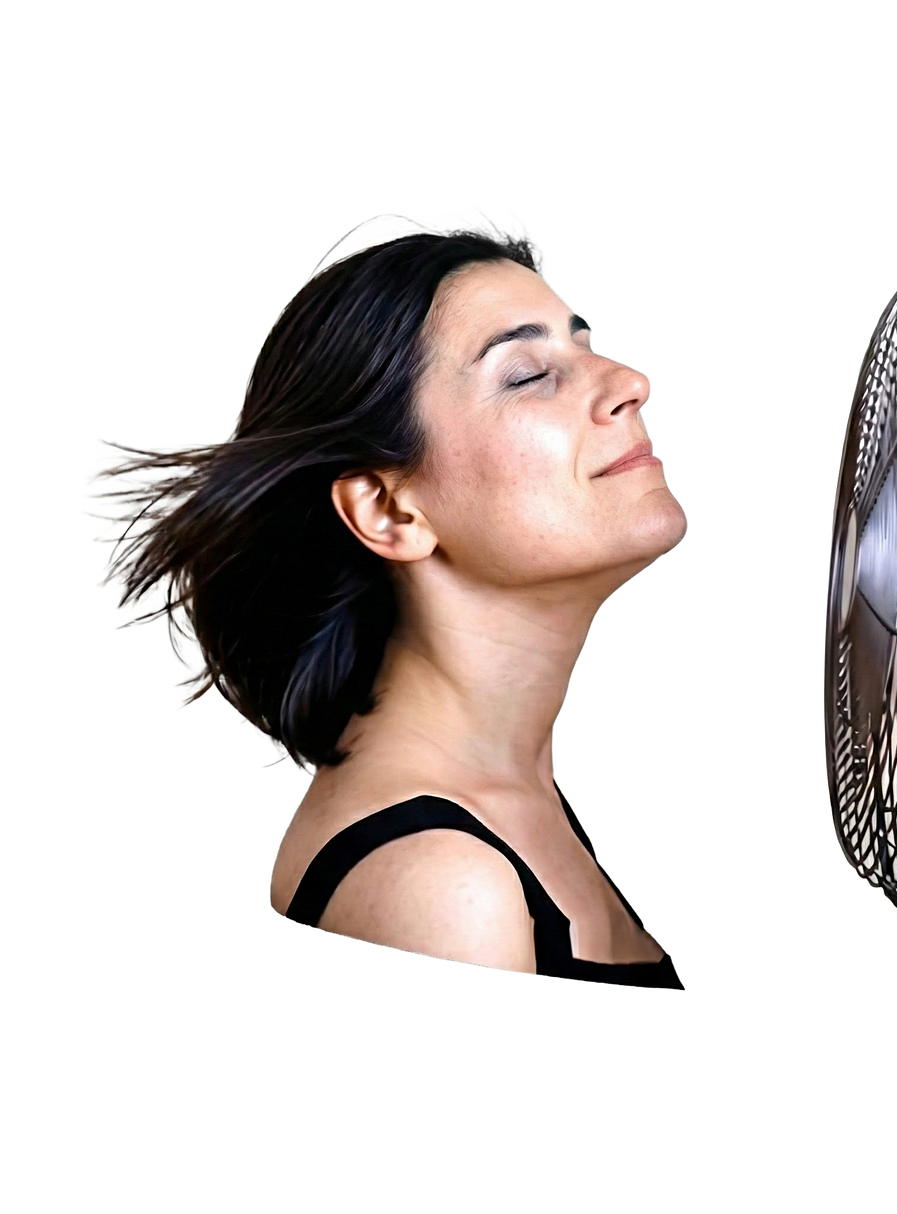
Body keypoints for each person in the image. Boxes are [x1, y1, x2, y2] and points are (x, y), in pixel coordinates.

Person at [78, 206, 690, 991]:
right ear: (389, 512)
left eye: (585, 341)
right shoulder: (441, 879)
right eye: (528, 375)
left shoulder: (505, 802)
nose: (631, 382)